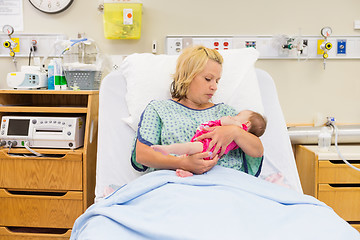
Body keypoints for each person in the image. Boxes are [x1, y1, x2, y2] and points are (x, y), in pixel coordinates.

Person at [131, 45, 264, 177]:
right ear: (187, 76)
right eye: (208, 79)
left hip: (228, 184)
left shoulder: (226, 113)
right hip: (177, 183)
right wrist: (182, 162)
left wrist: (235, 132)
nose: (214, 87)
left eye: (217, 81)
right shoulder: (159, 109)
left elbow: (257, 150)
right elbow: (143, 155)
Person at [151, 110, 267, 177]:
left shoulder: (238, 128)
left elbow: (258, 151)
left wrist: (234, 129)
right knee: (187, 157)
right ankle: (187, 171)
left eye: (237, 116)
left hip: (207, 147)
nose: (232, 116)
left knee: (187, 147)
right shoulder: (159, 108)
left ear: (246, 124)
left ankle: (169, 150)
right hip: (211, 154)